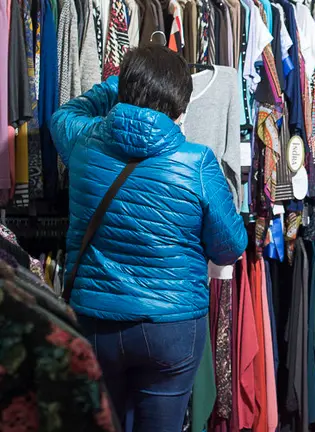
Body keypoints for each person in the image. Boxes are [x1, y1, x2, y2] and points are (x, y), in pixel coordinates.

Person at [50, 46, 247, 431]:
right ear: (180, 102)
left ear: (123, 89)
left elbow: (63, 114)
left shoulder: (84, 143)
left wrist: (116, 86)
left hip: (96, 321)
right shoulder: (197, 162)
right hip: (170, 329)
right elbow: (231, 247)